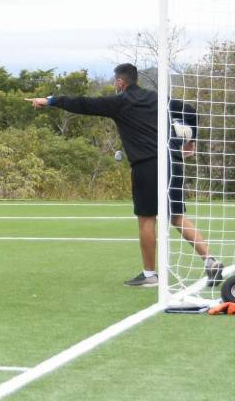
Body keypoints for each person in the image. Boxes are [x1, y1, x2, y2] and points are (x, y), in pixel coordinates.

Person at [27, 62, 223, 287]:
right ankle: (210, 261)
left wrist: (50, 101)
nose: (114, 85)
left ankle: (150, 275)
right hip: (173, 162)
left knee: (147, 218)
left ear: (120, 82)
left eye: (115, 81)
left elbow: (82, 103)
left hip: (147, 166)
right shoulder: (157, 98)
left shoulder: (120, 102)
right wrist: (191, 141)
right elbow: (189, 111)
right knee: (177, 216)